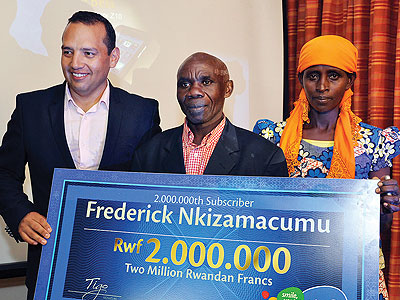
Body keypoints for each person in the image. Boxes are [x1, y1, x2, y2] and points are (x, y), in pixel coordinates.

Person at [0, 11, 161, 300]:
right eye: (67, 52)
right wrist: (21, 215)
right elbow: (3, 173)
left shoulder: (142, 113)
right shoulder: (30, 108)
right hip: (49, 267)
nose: (75, 64)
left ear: (113, 57)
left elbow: (155, 186)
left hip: (123, 271)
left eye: (88, 53)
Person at [254, 35, 400, 300]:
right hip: (286, 265)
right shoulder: (273, 136)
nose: (322, 86)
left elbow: (381, 221)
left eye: (333, 76)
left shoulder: (374, 141)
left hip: (352, 266)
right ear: (300, 80)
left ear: (350, 81)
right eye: (313, 76)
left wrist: (387, 203)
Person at [132, 52, 287, 177]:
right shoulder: (148, 154)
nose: (194, 92)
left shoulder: (265, 157)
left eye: (206, 82)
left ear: (228, 89)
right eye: (185, 84)